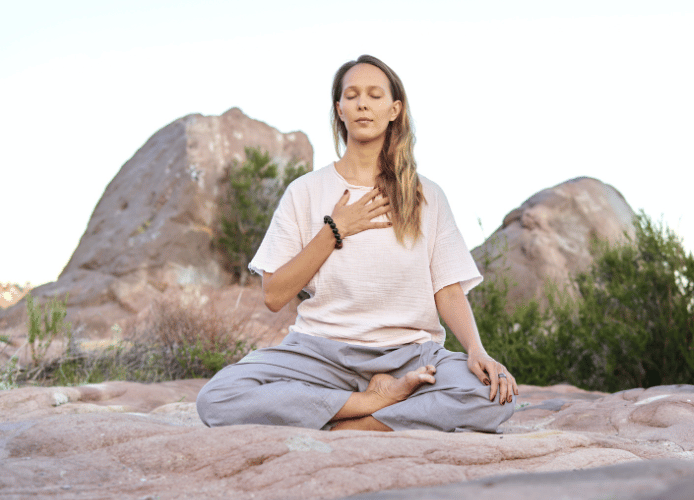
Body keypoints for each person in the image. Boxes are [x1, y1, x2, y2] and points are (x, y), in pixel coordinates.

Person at [196, 55, 518, 432]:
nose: (362, 103)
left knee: (492, 398)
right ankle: (371, 402)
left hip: (410, 355)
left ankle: (356, 425)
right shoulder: (305, 191)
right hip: (319, 353)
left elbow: (446, 290)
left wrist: (477, 351)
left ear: (394, 109)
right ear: (340, 109)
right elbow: (274, 294)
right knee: (218, 398)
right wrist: (335, 230)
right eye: (352, 95)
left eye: (374, 95)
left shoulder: (426, 195)